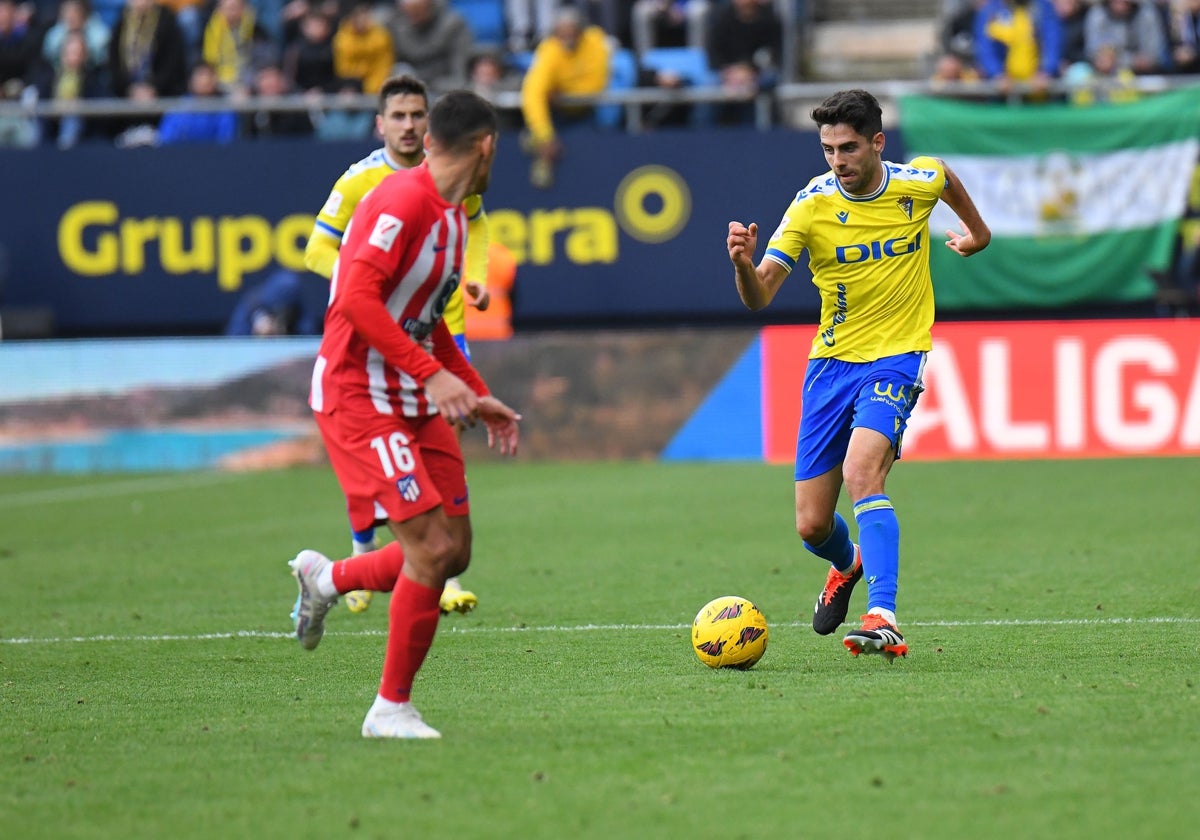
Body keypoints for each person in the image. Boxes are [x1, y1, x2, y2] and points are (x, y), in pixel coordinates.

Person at [725, 89, 991, 660]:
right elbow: (760, 295)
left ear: (876, 143)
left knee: (862, 471)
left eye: (847, 147)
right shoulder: (810, 207)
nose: (837, 160)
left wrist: (978, 233)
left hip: (897, 355)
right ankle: (848, 564)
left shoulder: (911, 185)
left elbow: (942, 176)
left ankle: (883, 613)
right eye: (827, 149)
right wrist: (745, 267)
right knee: (811, 525)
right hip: (830, 364)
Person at [290, 88, 520, 740]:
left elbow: (430, 322)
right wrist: (434, 376)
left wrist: (474, 390)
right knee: (431, 548)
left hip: (413, 394)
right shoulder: (398, 202)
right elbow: (356, 301)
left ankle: (327, 577)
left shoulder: (452, 216)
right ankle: (389, 708)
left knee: (454, 553)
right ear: (486, 146)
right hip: (359, 396)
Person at [303, 73, 492, 617]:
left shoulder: (454, 188)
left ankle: (433, 564)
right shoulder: (364, 181)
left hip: (439, 327)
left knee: (444, 447)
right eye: (399, 116)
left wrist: (472, 278)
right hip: (376, 341)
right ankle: (366, 552)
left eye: (418, 115)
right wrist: (374, 281)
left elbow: (475, 227)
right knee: (380, 450)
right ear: (380, 124)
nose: (409, 125)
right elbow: (319, 249)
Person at [518, 5, 610, 188]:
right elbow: (533, 93)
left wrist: (564, 92)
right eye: (562, 33)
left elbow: (597, 84)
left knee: (585, 158)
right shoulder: (549, 49)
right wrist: (545, 135)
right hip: (557, 114)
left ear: (580, 30)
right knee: (535, 137)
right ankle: (541, 153)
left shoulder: (596, 41)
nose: (567, 37)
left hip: (586, 114)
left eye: (571, 32)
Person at [973, 0, 1062, 99]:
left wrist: (1046, 71)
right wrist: (997, 74)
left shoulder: (1042, 7)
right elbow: (985, 47)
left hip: (1038, 83)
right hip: (1002, 86)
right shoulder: (991, 10)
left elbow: (1052, 40)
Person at [387, 0, 474, 92]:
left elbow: (459, 74)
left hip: (443, 87)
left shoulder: (454, 24)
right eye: (409, 11)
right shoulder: (392, 24)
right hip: (408, 87)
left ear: (429, 4)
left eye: (418, 10)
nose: (414, 15)